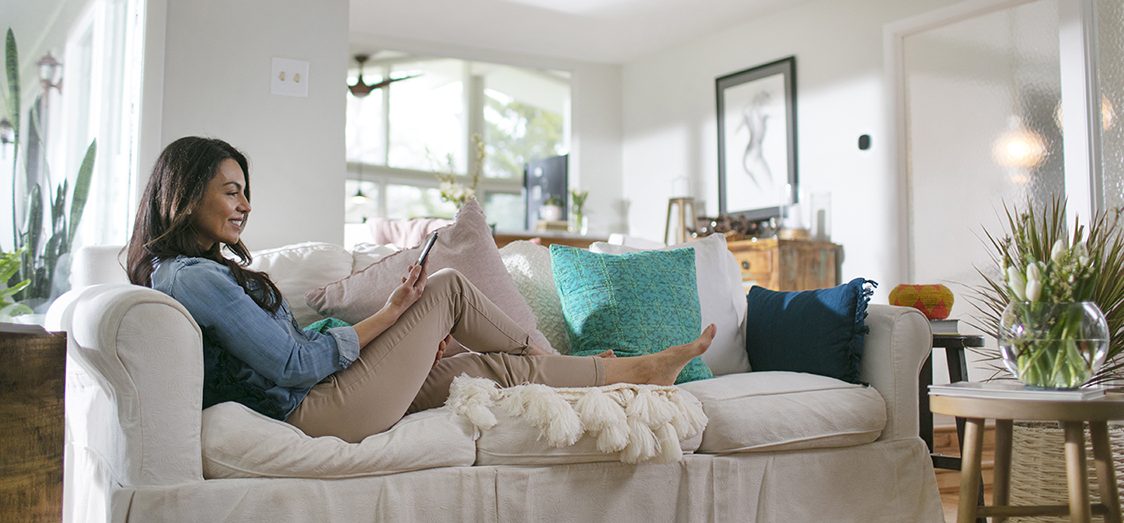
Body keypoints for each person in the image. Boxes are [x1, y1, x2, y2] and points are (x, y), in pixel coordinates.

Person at [126, 136, 715, 443]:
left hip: (330, 393)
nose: (245, 205)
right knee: (450, 288)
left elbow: (295, 346)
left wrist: (396, 324)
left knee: (490, 370)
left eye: (244, 191)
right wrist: (392, 318)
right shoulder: (191, 277)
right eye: (231, 191)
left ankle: (636, 373)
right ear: (184, 193)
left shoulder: (191, 271)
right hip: (315, 410)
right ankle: (563, 359)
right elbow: (292, 361)